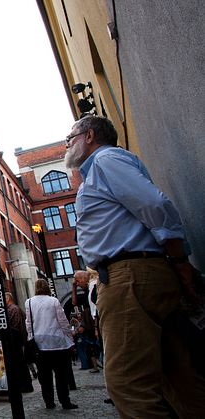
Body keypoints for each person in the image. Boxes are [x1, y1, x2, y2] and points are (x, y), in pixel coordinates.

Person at [67, 115, 205, 417]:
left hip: (128, 278)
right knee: (177, 378)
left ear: (89, 136)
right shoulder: (103, 167)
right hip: (138, 274)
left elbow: (155, 205)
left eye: (71, 137)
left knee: (127, 384)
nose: (68, 144)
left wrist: (180, 259)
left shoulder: (106, 160)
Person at [25, 279, 77, 410]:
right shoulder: (53, 300)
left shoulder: (29, 302)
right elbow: (63, 321)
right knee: (61, 374)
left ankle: (49, 401)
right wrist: (70, 337)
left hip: (39, 343)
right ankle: (65, 401)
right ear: (47, 287)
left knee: (44, 376)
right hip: (57, 341)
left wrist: (31, 338)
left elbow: (29, 323)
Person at [5, 292, 34, 393]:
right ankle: (25, 385)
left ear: (8, 298)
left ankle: (25, 386)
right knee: (20, 364)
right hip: (18, 340)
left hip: (16, 341)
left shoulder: (13, 309)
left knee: (20, 364)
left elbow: (14, 325)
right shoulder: (14, 308)